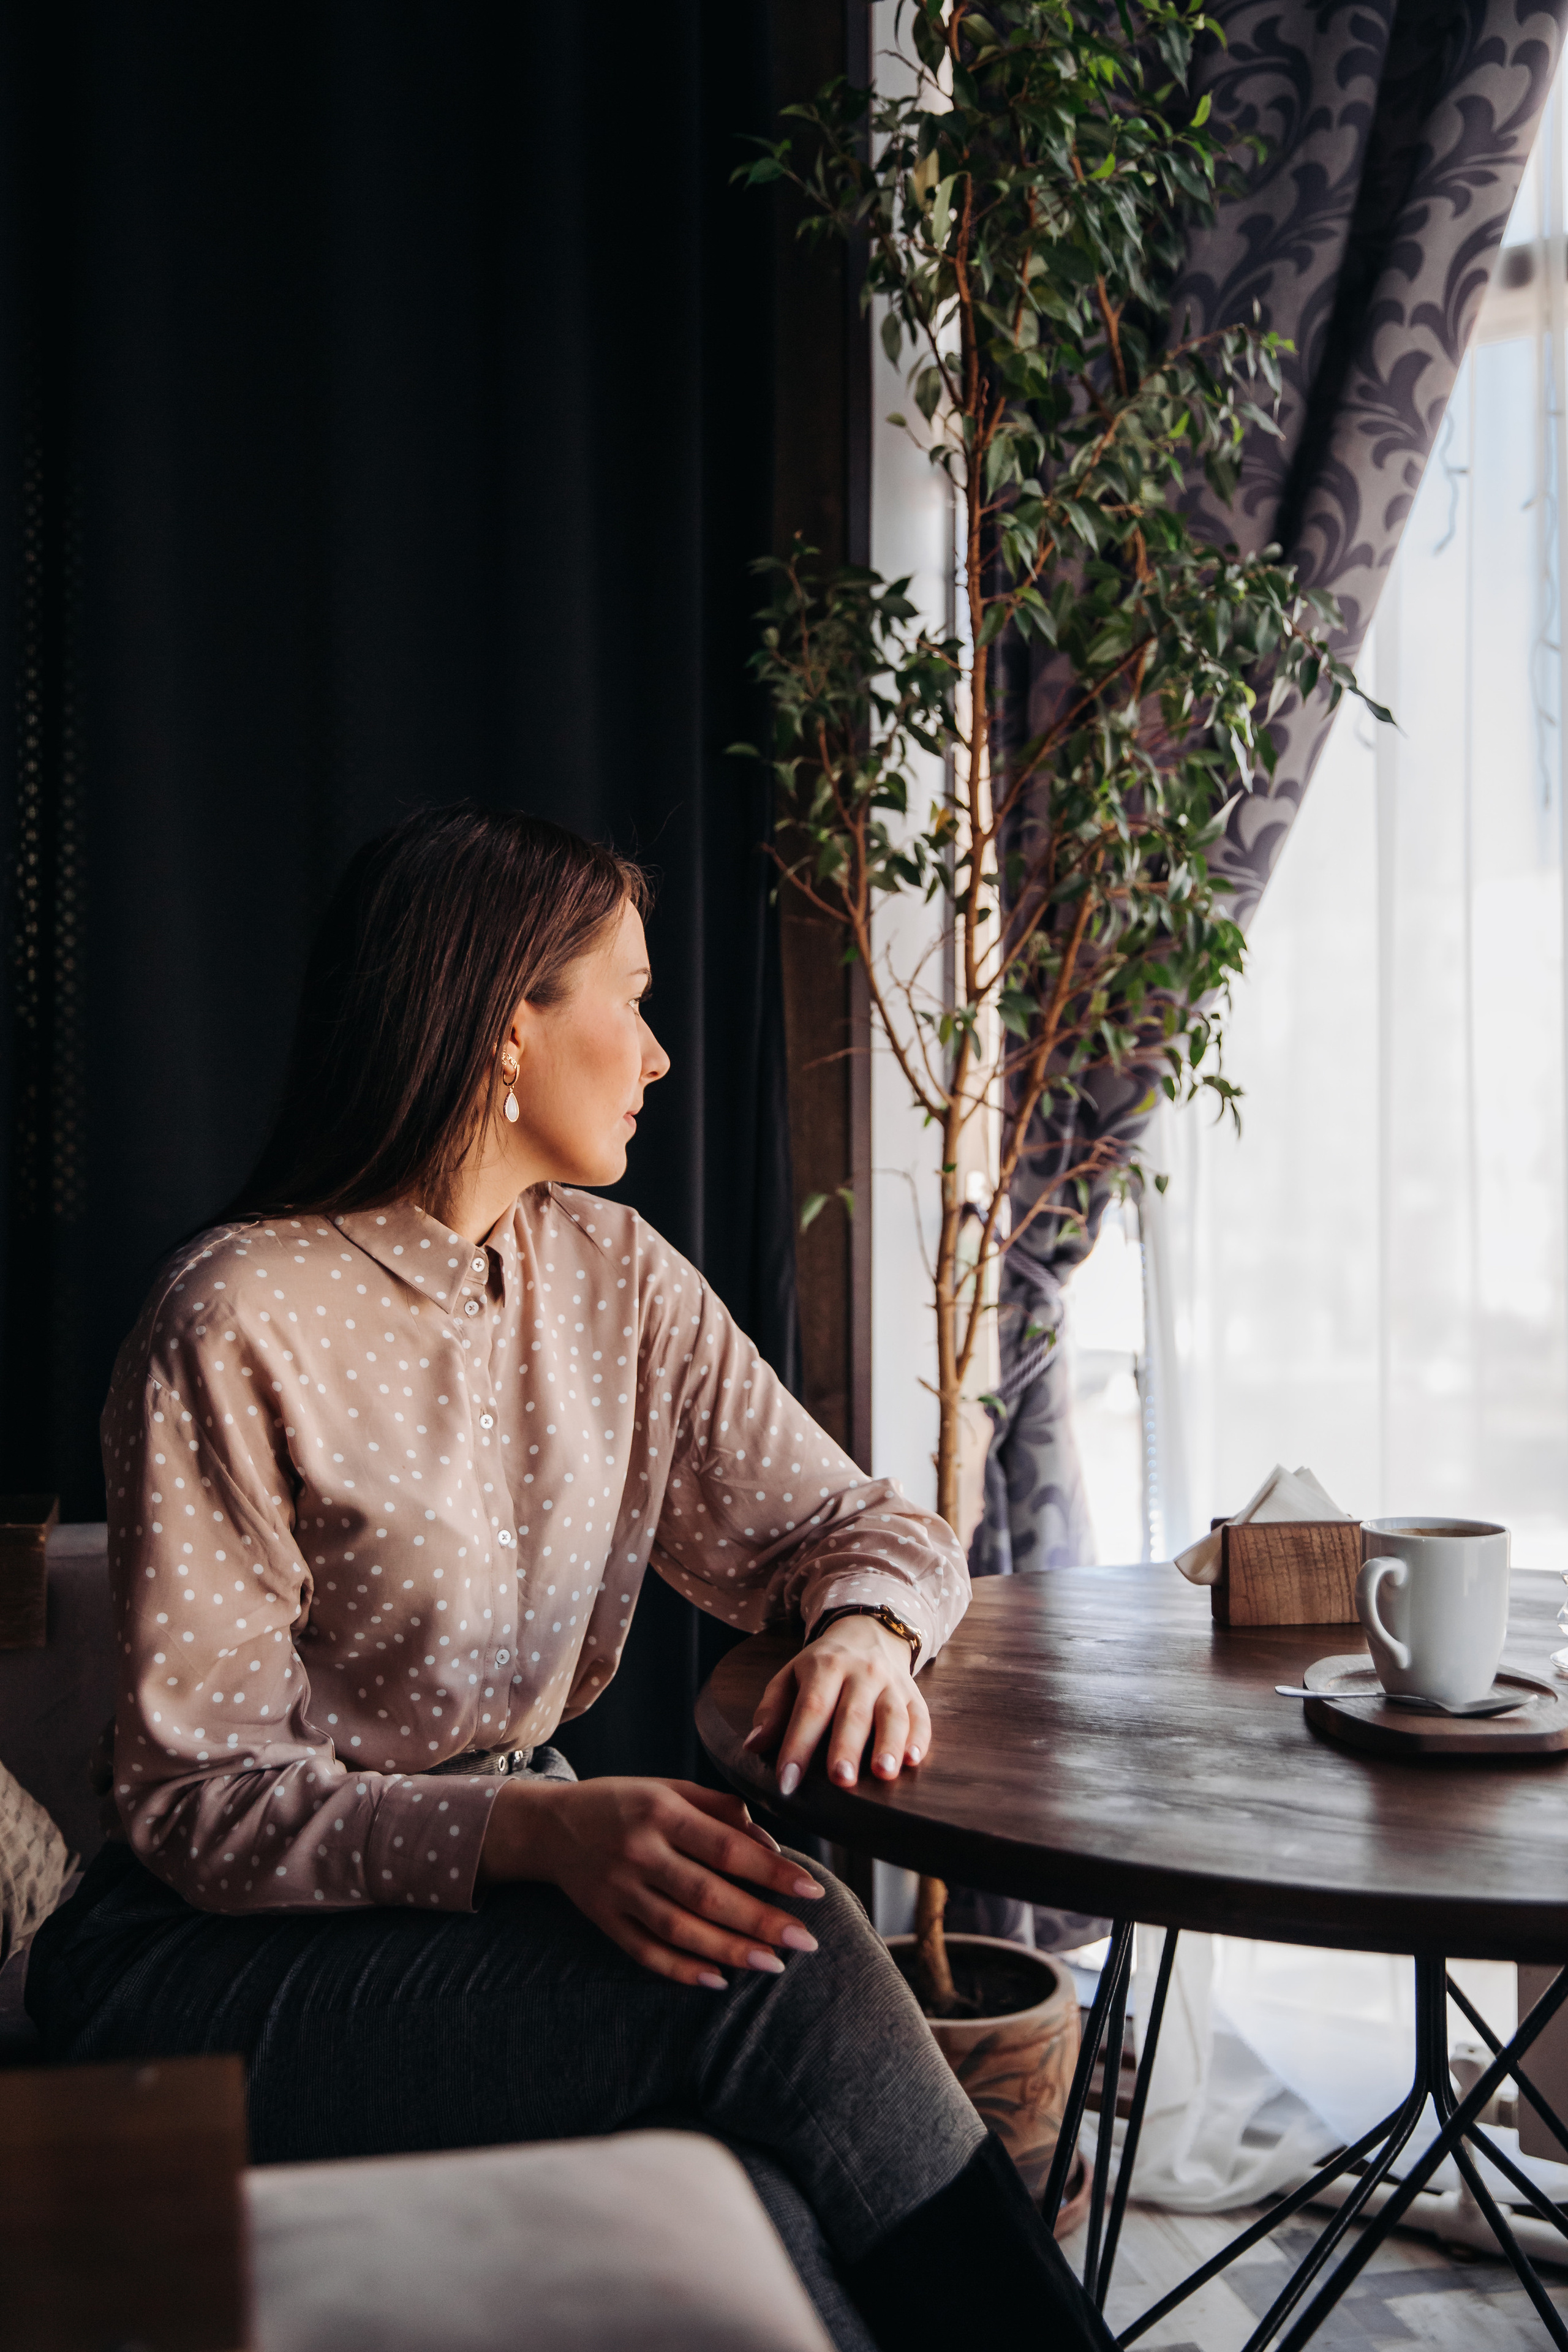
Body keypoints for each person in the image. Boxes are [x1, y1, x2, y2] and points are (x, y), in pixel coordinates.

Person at [29, 806, 1112, 2352]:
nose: (662, 1054)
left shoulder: (610, 1277)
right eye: (632, 995)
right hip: (205, 1965)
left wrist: (868, 1632)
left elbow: (866, 1526)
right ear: (503, 1029)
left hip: (483, 1925)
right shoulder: (235, 1318)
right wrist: (537, 1829)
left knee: (776, 2136)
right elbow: (198, 1802)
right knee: (781, 1973)